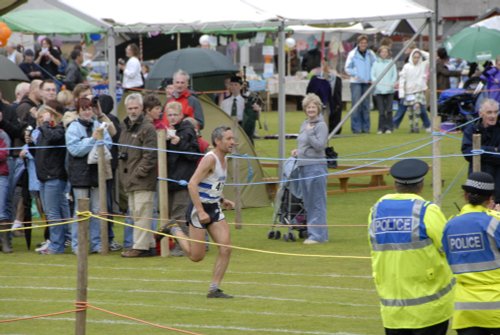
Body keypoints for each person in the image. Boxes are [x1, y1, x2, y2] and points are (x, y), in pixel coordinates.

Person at [368, 158, 455, 335]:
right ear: (421, 185)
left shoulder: (377, 210)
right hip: (430, 310)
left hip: (393, 310)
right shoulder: (427, 210)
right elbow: (448, 247)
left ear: (395, 184)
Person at [162, 126, 235, 298]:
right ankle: (174, 229)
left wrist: (223, 199)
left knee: (226, 248)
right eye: (229, 139)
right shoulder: (210, 159)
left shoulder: (225, 158)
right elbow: (192, 184)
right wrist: (201, 212)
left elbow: (213, 183)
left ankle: (214, 288)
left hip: (214, 208)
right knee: (196, 256)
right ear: (218, 141)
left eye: (233, 138)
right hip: (198, 209)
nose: (233, 142)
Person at [441, 172, 500, 335]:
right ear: (490, 198)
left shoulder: (450, 225)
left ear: (465, 195)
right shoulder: (495, 222)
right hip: (496, 308)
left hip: (465, 309)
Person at [66, 97, 112, 254]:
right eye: (84, 109)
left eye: (89, 108)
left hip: (97, 174)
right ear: (78, 111)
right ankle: (78, 245)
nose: (87, 112)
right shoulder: (72, 128)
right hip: (80, 175)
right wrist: (92, 139)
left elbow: (108, 144)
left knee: (98, 210)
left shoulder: (99, 125)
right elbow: (75, 150)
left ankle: (97, 243)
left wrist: (95, 140)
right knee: (80, 211)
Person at [118, 93, 158, 257]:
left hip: (142, 179)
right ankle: (148, 245)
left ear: (142, 108)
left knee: (142, 212)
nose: (133, 111)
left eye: (136, 108)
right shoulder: (125, 127)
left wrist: (138, 173)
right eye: (130, 108)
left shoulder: (148, 128)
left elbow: (150, 156)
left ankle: (140, 247)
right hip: (129, 178)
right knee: (136, 213)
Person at [291, 93, 328, 244]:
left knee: (317, 201)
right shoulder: (305, 123)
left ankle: (317, 236)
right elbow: (303, 144)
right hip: (303, 166)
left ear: (318, 108)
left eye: (313, 107)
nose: (311, 109)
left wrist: (310, 132)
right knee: (308, 202)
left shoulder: (320, 125)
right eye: (308, 107)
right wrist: (298, 151)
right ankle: (317, 233)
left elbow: (320, 146)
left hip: (316, 167)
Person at [34, 105, 70, 255]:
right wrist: (30, 143)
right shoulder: (43, 132)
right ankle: (58, 242)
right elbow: (39, 154)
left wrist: (46, 125)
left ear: (54, 116)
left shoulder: (59, 130)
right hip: (43, 178)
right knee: (50, 213)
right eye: (41, 118)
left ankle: (56, 246)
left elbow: (52, 137)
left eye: (47, 117)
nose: (44, 120)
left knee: (54, 213)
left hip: (54, 177)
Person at [165, 101, 200, 244]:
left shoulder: (187, 131)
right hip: (171, 180)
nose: (172, 118)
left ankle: (184, 247)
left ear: (181, 115)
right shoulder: (169, 131)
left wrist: (179, 142)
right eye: (169, 115)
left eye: (175, 114)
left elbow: (194, 155)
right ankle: (181, 244)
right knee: (171, 215)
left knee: (180, 214)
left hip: (183, 180)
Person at [461, 99, 500, 205]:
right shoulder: (471, 129)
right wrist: (494, 150)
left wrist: (481, 151)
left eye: (495, 112)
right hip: (477, 180)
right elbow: (468, 152)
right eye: (489, 112)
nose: (493, 116)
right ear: (481, 113)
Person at [344, 34, 376, 134]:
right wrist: (356, 75)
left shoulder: (371, 54)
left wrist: (372, 78)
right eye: (361, 43)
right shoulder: (352, 54)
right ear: (358, 43)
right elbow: (347, 68)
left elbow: (375, 66)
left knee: (366, 106)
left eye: (365, 43)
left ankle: (366, 128)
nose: (363, 44)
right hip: (356, 82)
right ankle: (356, 128)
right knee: (356, 105)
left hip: (367, 83)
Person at [396, 49, 431, 133]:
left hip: (419, 91)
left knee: (420, 108)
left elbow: (430, 57)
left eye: (418, 57)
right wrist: (401, 92)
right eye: (415, 57)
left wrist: (419, 50)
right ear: (411, 57)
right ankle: (412, 127)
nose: (416, 59)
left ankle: (420, 126)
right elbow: (402, 79)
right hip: (409, 92)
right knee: (410, 111)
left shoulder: (422, 65)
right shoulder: (406, 66)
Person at [220, 75, 261, 143]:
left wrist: (258, 110)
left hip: (243, 129)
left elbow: (256, 118)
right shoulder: (224, 102)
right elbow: (221, 117)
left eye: (236, 85)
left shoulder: (247, 102)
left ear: (241, 86)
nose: (233, 87)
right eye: (231, 85)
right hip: (229, 129)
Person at [371, 45, 397, 134]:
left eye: (386, 52)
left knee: (389, 110)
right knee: (381, 111)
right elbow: (373, 75)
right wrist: (376, 82)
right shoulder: (375, 63)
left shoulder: (391, 63)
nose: (384, 53)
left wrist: (391, 84)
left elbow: (394, 75)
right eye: (382, 52)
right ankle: (381, 128)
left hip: (389, 90)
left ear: (388, 53)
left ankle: (389, 127)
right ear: (379, 53)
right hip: (379, 90)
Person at [0, 124, 11, 253]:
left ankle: (6, 242)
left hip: (1, 175)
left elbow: (4, 153)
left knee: (1, 211)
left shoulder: (2, 135)